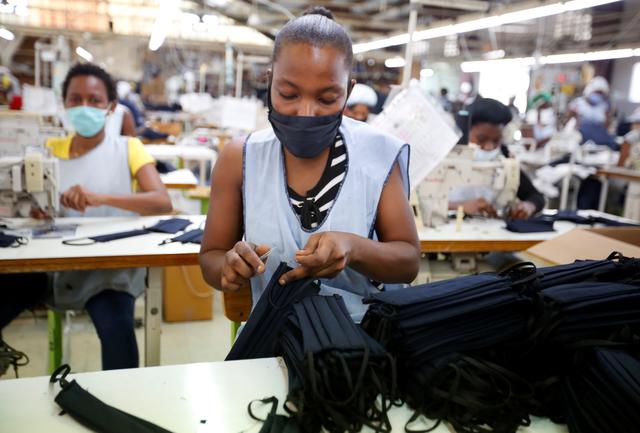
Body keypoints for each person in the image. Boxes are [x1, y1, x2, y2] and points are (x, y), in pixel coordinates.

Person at [199, 7, 420, 322]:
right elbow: (211, 257)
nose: (305, 112)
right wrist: (228, 267)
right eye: (288, 94)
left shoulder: (377, 156)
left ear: (348, 92)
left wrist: (355, 248)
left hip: (365, 339)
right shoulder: (241, 158)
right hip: (275, 336)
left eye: (327, 99)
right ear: (269, 81)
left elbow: (409, 262)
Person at [0, 63, 172, 373]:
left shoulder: (128, 148)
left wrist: (100, 197)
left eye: (94, 100)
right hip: (50, 266)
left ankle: (119, 406)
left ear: (111, 107)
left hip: (107, 270)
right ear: (64, 104)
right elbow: (27, 203)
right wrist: (35, 210)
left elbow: (161, 201)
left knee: (117, 329)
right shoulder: (47, 149)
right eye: (75, 99)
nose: (84, 107)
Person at [449, 97, 545, 219]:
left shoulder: (504, 157)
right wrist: (459, 206)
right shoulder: (447, 157)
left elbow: (536, 196)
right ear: (466, 131)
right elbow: (418, 203)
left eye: (496, 140)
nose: (489, 147)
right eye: (481, 139)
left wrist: (528, 206)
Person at [568, 76, 617, 149]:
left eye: (601, 93)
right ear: (589, 91)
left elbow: (607, 124)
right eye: (596, 92)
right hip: (581, 137)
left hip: (600, 139)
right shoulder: (578, 103)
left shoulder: (605, 105)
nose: (598, 95)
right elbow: (569, 118)